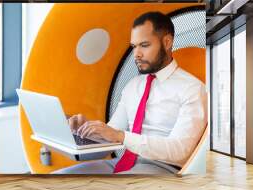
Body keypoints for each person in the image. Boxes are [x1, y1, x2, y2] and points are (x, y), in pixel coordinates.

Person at [53, 11, 207, 174]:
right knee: (58, 178)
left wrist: (121, 136)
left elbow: (180, 150)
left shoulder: (192, 88)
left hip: (163, 167)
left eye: (144, 45)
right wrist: (86, 131)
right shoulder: (132, 86)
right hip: (121, 162)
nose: (136, 54)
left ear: (167, 42)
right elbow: (112, 135)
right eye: (134, 46)